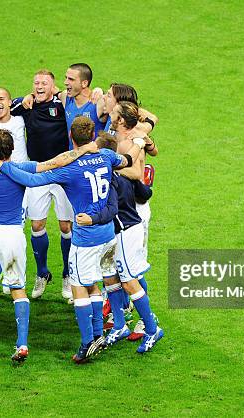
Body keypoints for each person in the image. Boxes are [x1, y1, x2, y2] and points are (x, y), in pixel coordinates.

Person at [0, 116, 144, 363]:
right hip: (108, 234)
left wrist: (3, 166)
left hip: (86, 237)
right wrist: (139, 141)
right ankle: (96, 335)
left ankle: (86, 343)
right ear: (92, 136)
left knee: (79, 287)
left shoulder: (70, 169)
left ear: (71, 138)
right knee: (94, 283)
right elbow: (127, 160)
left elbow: (32, 179)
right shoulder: (106, 156)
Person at [0, 129, 98, 362]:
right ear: (13, 149)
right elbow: (55, 162)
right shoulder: (21, 169)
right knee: (18, 289)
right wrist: (84, 149)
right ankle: (22, 344)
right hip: (12, 235)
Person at [76, 132, 163, 353]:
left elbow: (111, 209)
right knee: (110, 278)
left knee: (128, 281)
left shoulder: (110, 177)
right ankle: (120, 325)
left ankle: (152, 329)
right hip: (115, 233)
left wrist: (91, 219)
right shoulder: (120, 172)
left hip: (125, 231)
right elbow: (145, 191)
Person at [10, 70, 75, 301]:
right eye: (36, 83)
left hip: (63, 172)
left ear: (53, 86)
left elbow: (80, 95)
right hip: (38, 172)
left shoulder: (61, 104)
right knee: (36, 225)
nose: (39, 86)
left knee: (66, 226)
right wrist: (24, 98)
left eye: (44, 83)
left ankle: (68, 274)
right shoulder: (25, 105)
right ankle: (42, 272)